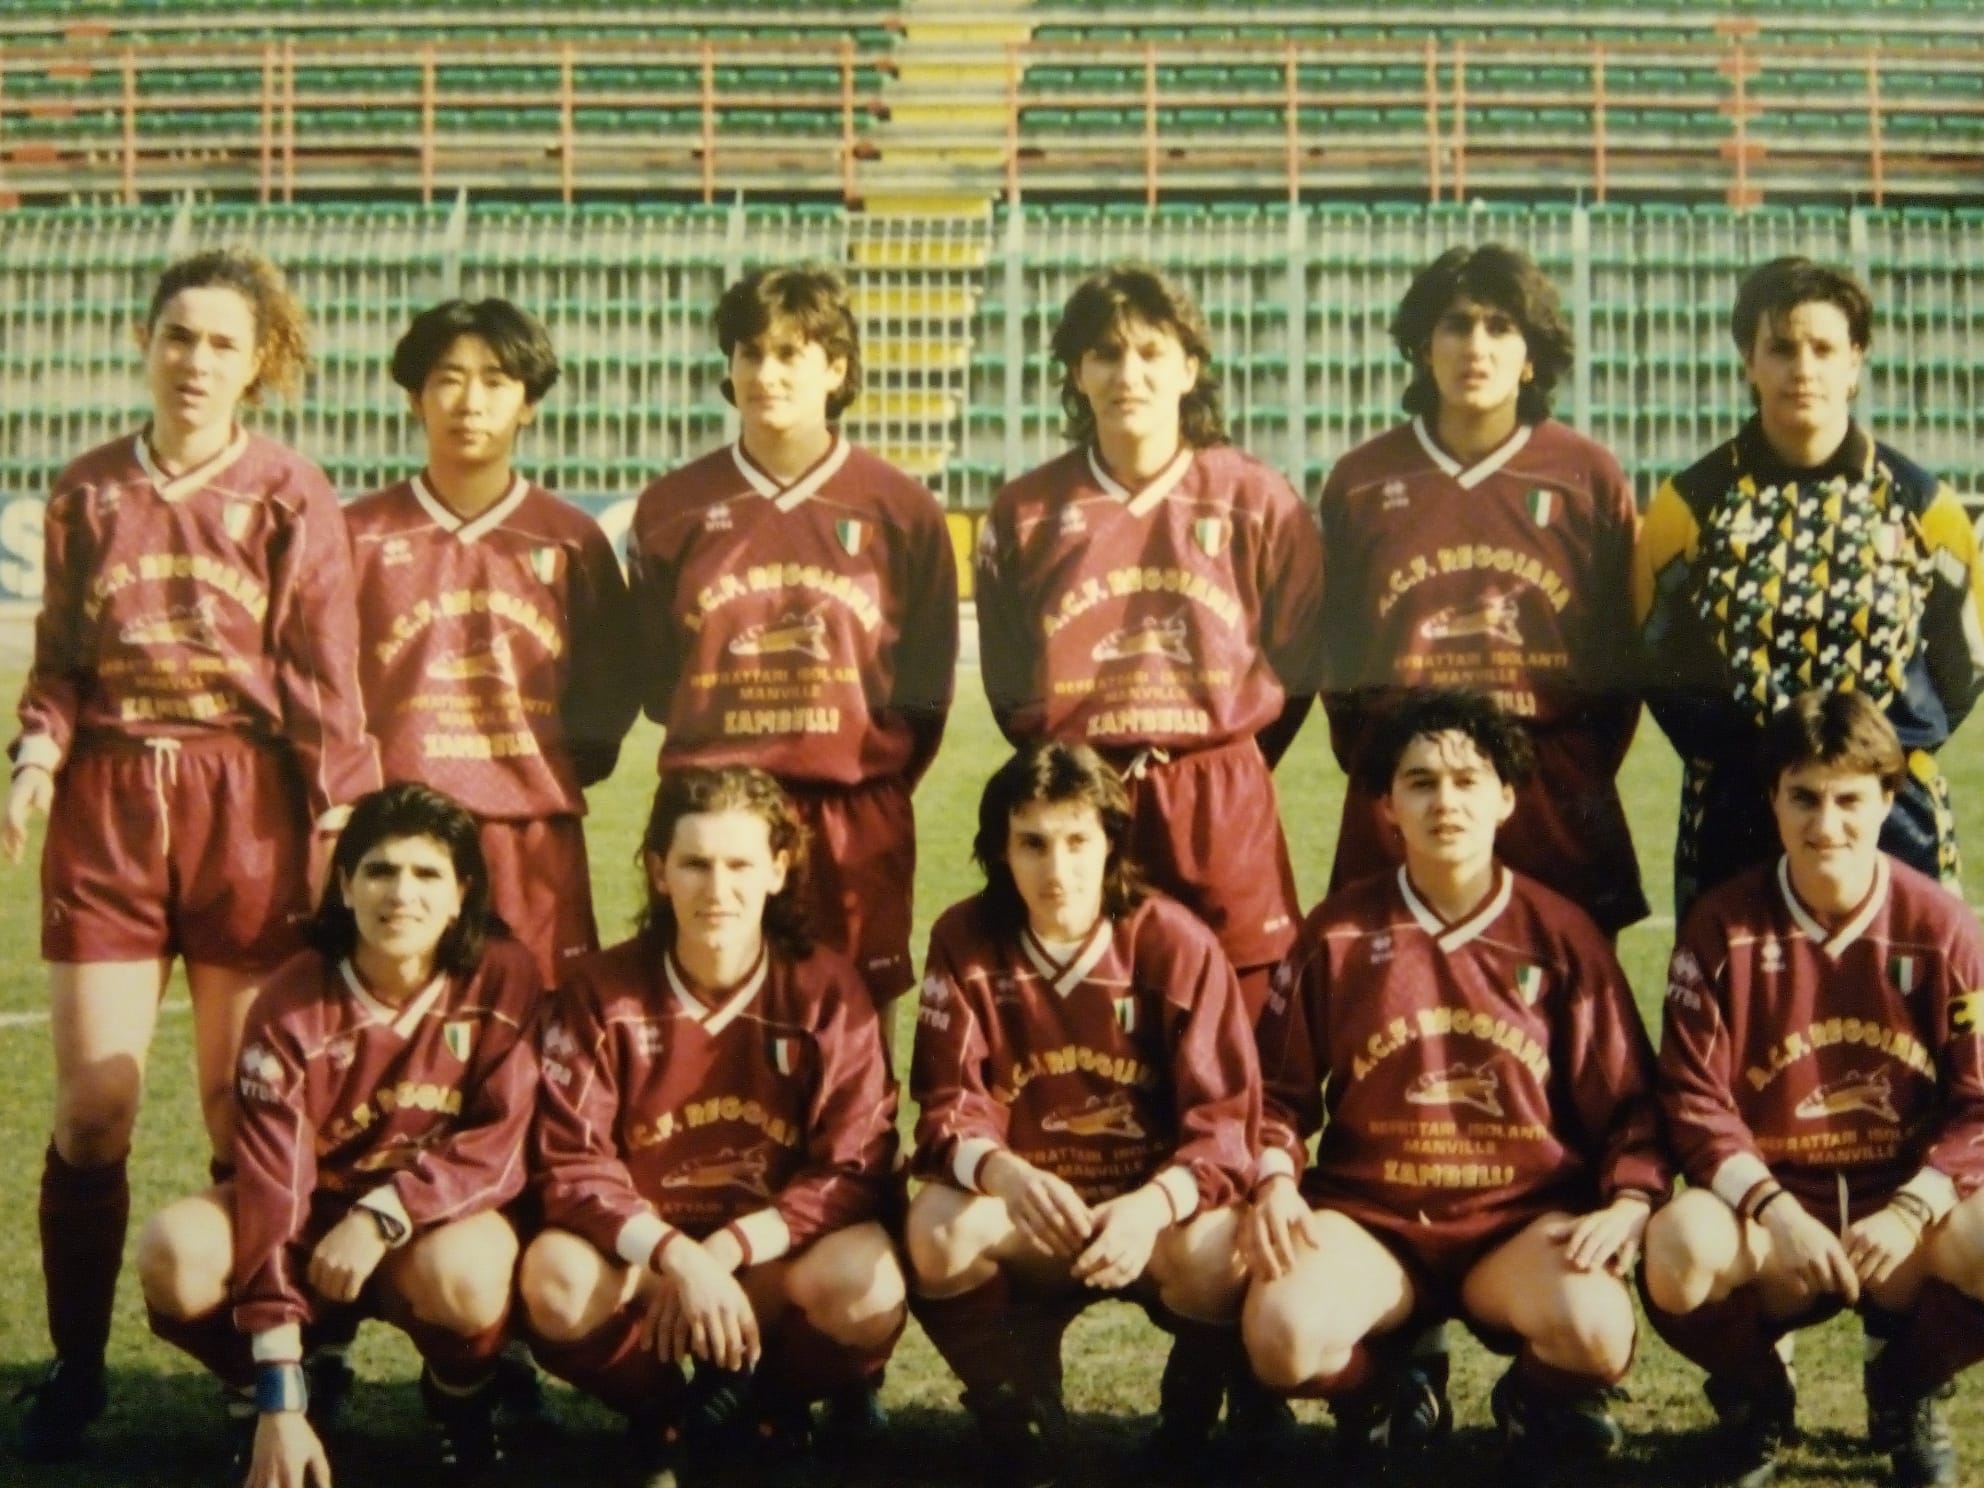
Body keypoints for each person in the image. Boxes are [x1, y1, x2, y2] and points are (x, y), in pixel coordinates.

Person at [1, 248, 380, 1460]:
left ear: (258, 362)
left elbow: (325, 677)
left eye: (223, 344)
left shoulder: (288, 491)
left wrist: (337, 817)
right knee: (95, 1110)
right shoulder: (87, 490)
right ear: (144, 342)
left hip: (245, 806)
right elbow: (60, 664)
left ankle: (263, 1357)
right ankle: (75, 1367)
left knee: (239, 1105)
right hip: (110, 804)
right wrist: (36, 756)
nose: (196, 362)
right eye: (178, 337)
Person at [1244, 690, 1667, 1485]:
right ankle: (1376, 1394)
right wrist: (1272, 1177)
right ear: (1386, 806)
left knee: (1597, 1331)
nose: (1446, 802)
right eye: (1422, 782)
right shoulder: (1340, 933)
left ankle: (1529, 1400)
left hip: (1515, 1221)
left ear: (1507, 798)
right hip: (1375, 1220)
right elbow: (1275, 1091)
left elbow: (1626, 1101)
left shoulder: (1561, 934)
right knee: (1282, 1338)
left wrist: (1631, 1200)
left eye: (1469, 781)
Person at [134, 781, 541, 1486]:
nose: (401, 894)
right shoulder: (291, 1002)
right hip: (310, 1223)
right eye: (380, 871)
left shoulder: (503, 978)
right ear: (345, 886)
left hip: (432, 1222)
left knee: (469, 1277)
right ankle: (270, 1393)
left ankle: (459, 1401)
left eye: (427, 875)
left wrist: (385, 1213)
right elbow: (270, 1189)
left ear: (461, 894)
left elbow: (502, 1143)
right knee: (176, 1252)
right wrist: (278, 1392)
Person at [519, 765, 903, 1488]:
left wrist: (724, 1251)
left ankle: (767, 1406)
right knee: (554, 1277)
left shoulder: (826, 990)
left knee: (866, 1281)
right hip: (647, 1266)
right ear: (658, 871)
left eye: (740, 865)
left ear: (779, 869)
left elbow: (854, 1165)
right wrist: (677, 1257)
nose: (717, 888)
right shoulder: (601, 991)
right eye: (694, 863)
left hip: (768, 1264)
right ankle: (662, 1414)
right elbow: (570, 1163)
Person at [1642, 688, 1984, 1488]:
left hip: (1899, 1220)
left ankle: (1906, 1387)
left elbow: (1982, 1099)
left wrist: (1913, 1208)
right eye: (1804, 798)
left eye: (1849, 800)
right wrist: (1778, 1213)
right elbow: (1693, 1100)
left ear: (1888, 800)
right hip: (1776, 1221)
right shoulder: (1722, 926)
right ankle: (1759, 1397)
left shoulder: (1942, 928)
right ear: (1773, 799)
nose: (1826, 825)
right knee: (1679, 1246)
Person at [974, 262, 1324, 1023]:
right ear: (1076, 371)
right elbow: (1008, 679)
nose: (1128, 374)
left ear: (1189, 367)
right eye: (1105, 353)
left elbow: (1299, 659)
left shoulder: (1256, 498)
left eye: (1151, 352)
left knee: (1244, 1021)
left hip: (1219, 795)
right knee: (1094, 1024)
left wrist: (1229, 755)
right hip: (1083, 795)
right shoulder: (1027, 511)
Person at [906, 740, 1260, 1487]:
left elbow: (1226, 1125)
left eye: (1076, 841)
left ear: (1111, 843)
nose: (1057, 869)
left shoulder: (1174, 941)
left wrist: (1153, 1205)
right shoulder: (965, 939)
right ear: (999, 851)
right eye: (1032, 843)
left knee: (1224, 1245)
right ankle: (1017, 1408)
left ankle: (1189, 1417)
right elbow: (945, 1107)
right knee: (938, 1226)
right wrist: (1004, 1174)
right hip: (1035, 1214)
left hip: (1148, 1220)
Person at [626, 264, 958, 1037]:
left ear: (835, 369)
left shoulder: (899, 508)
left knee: (851, 1041)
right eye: (750, 353)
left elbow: (926, 687)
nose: (765, 374)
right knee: (707, 1035)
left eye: (789, 353)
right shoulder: (673, 508)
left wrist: (855, 765)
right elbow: (656, 678)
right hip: (710, 813)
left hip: (849, 813)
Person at [1634, 255, 1984, 921]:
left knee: (1901, 982)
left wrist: (1869, 757)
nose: (1803, 368)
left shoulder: (1923, 506)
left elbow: (1961, 663)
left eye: (1823, 349)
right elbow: (1657, 658)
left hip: (1889, 813)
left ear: (1855, 362)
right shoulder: (1690, 506)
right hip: (1737, 812)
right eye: (1782, 348)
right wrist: (1751, 756)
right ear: (1749, 360)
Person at [1318, 243, 1645, 939]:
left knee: (1565, 997)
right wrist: (1390, 757)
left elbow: (1620, 662)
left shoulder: (1587, 477)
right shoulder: (1362, 481)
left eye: (1500, 327)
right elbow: (1337, 662)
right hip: (1406, 797)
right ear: (1423, 346)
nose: (1476, 346)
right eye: (1457, 324)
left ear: (1531, 356)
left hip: (1550, 795)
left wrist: (1566, 761)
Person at [346, 296, 638, 988]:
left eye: (496, 381)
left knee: (539, 1025)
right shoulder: (359, 535)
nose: (470, 402)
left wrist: (552, 768)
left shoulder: (569, 540)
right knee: (397, 1028)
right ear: (415, 397)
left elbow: (613, 684)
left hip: (529, 835)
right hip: (396, 835)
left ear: (528, 403)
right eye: (448, 379)